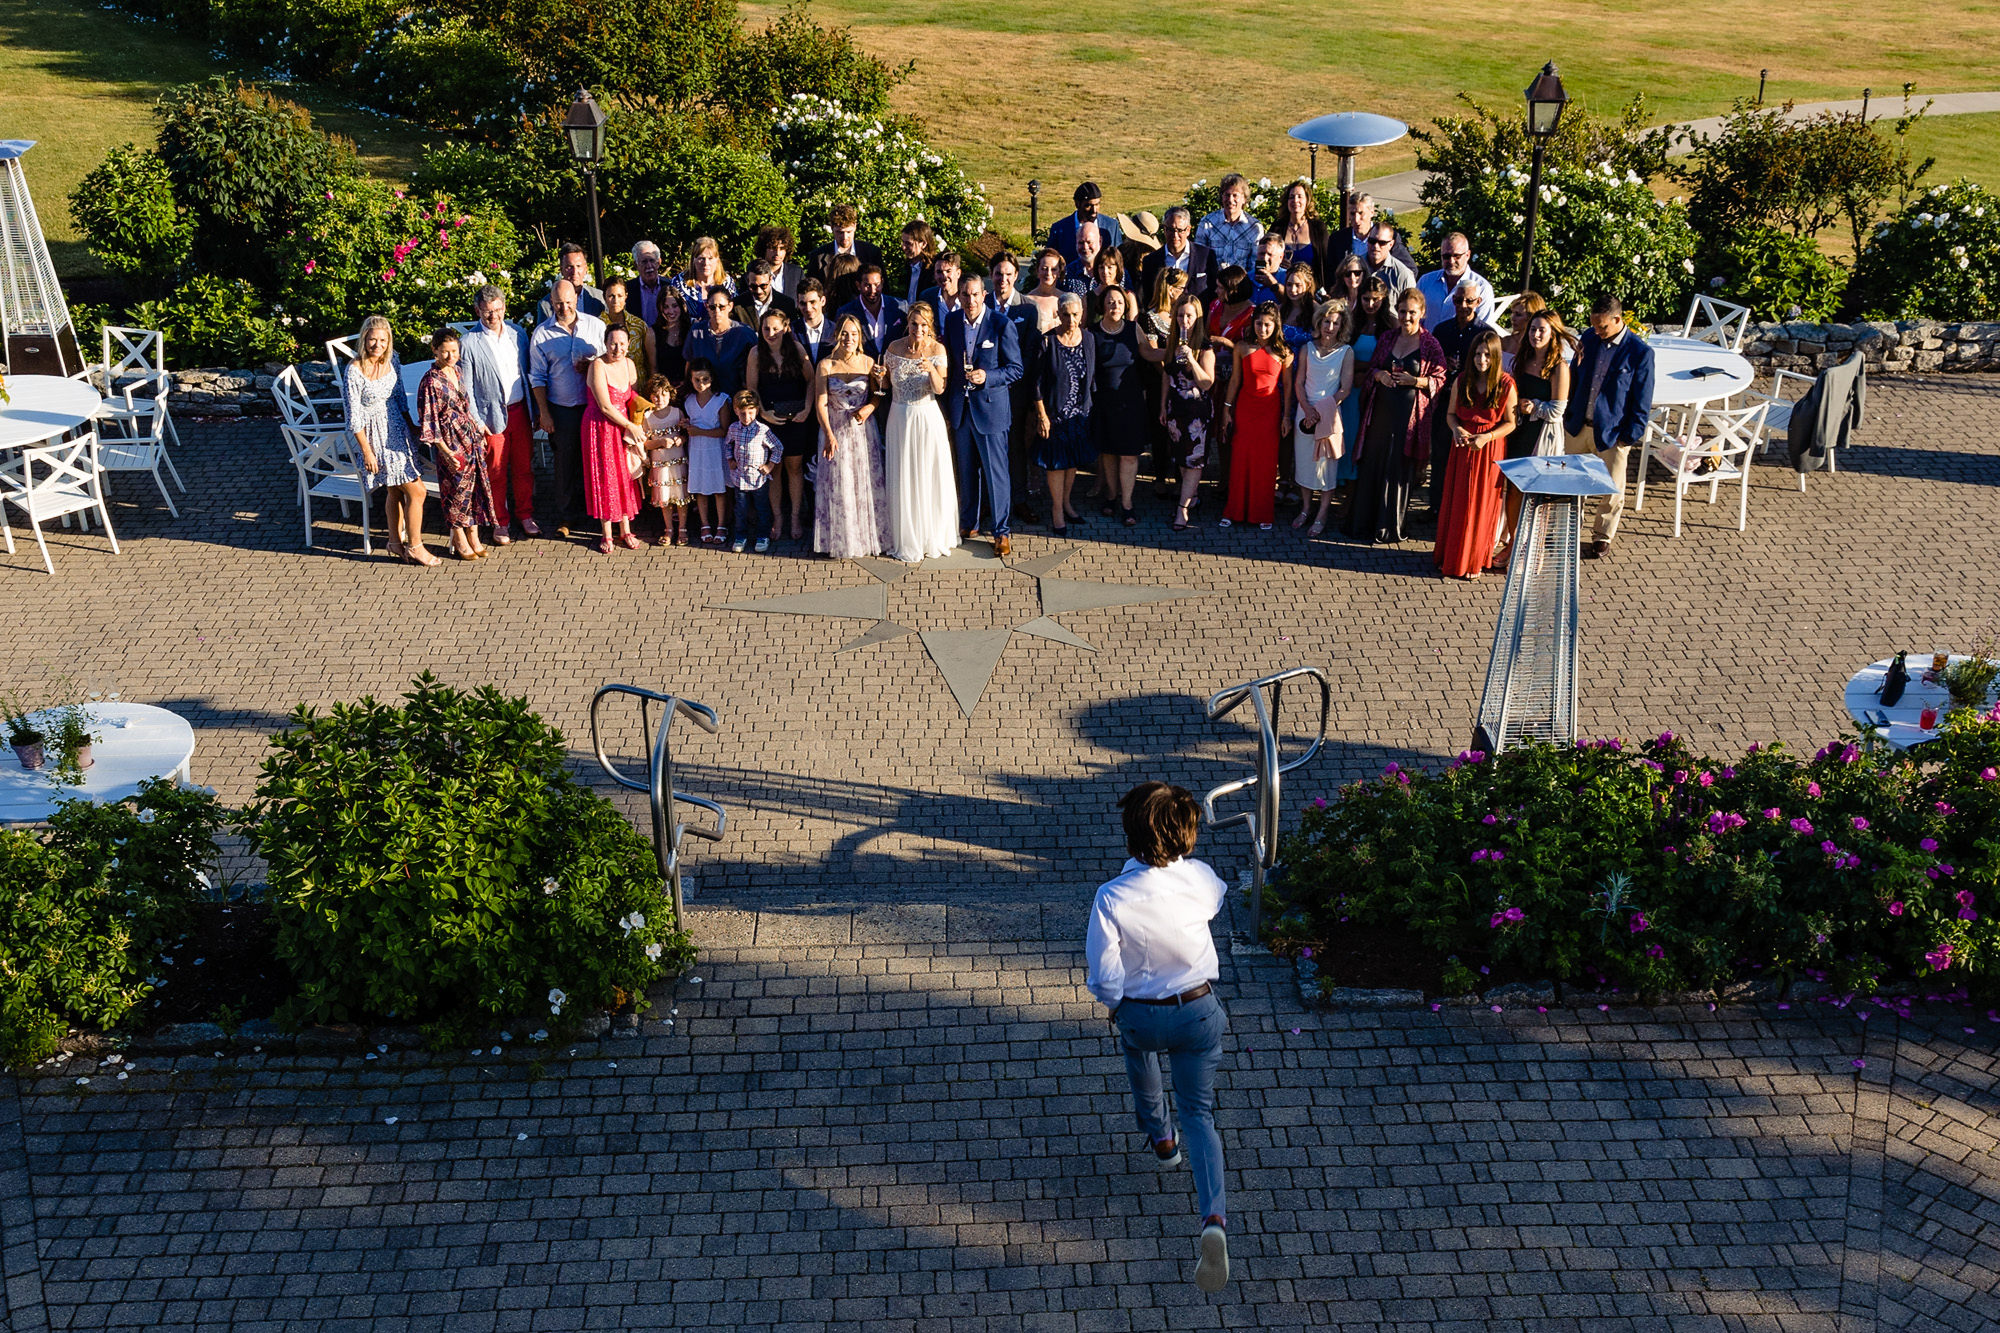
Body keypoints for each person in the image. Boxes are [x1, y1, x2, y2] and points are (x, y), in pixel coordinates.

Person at [1085, 781, 1233, 1295]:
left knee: (1138, 1050)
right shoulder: (1200, 879)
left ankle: (1161, 1139)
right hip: (1197, 1010)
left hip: (1143, 1013)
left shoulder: (1111, 897)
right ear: (1186, 833)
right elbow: (1215, 900)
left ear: (1130, 835)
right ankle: (1212, 1218)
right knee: (1202, 1113)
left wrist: (1117, 1007)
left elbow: (1105, 980)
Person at [1344, 288, 1445, 545]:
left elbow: (1441, 379)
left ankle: (1389, 526)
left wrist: (1417, 381)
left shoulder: (1430, 344)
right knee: (1374, 463)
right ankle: (1363, 523)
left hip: (1409, 420)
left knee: (1397, 469)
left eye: (1412, 312)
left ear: (1422, 313)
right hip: (1380, 415)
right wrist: (1379, 376)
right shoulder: (1388, 337)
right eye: (1402, 311)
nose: (1407, 317)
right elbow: (1374, 367)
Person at [1564, 295, 1655, 559]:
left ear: (1618, 320)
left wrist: (1628, 437)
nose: (1596, 331)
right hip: (1579, 426)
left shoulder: (1640, 352)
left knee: (1612, 489)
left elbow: (1642, 400)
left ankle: (1602, 536)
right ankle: (1571, 530)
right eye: (1593, 325)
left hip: (1613, 435)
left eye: (1602, 326)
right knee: (1573, 482)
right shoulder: (1589, 339)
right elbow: (1574, 376)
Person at [943, 271, 1022, 553]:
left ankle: (1002, 531)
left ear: (984, 295)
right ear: (959, 295)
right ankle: (969, 522)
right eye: (965, 294)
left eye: (975, 294)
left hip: (991, 411)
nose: (970, 300)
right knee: (966, 471)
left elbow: (1015, 369)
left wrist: (986, 376)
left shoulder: (1001, 324)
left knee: (995, 473)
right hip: (962, 409)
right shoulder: (952, 321)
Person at [345, 315, 434, 564]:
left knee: (395, 490)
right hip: (373, 436)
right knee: (418, 491)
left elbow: (398, 395)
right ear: (364, 339)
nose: (377, 345)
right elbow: (353, 417)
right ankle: (415, 546)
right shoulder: (354, 371)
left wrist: (411, 426)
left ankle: (394, 542)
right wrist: (367, 451)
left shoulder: (393, 359)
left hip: (397, 427)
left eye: (383, 340)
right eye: (372, 339)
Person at [1434, 328, 1517, 579]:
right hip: (1462, 448)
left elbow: (1511, 423)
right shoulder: (1462, 380)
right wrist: (1457, 429)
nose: (1482, 360)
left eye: (1487, 355)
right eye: (1478, 354)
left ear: (1495, 358)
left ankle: (1473, 561)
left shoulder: (1506, 384)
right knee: (1458, 502)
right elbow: (1450, 414)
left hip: (1488, 450)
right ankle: (1452, 557)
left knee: (1480, 506)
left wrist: (1486, 437)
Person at [880, 302, 958, 562]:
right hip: (899, 417)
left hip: (926, 418)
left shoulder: (938, 349)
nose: (919, 329)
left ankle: (930, 534)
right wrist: (877, 376)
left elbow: (940, 389)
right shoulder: (893, 348)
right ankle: (905, 534)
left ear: (930, 325)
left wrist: (931, 369)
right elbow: (884, 384)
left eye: (924, 324)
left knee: (927, 475)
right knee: (903, 474)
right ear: (908, 323)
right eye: (914, 324)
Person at [529, 279, 607, 536]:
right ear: (551, 303)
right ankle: (566, 516)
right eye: (559, 303)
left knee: (595, 460)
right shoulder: (542, 334)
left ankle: (597, 513)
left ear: (576, 298)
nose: (564, 307)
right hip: (561, 407)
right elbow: (537, 377)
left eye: (568, 302)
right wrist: (544, 413)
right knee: (564, 463)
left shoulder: (595, 326)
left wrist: (594, 365)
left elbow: (609, 360)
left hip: (594, 405)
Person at [1494, 308, 1571, 563]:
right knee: (1513, 489)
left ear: (1553, 334)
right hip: (1518, 431)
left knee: (1538, 496)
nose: (1536, 334)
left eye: (1542, 330)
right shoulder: (1522, 358)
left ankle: (1534, 552)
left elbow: (1558, 410)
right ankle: (1514, 543)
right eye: (1533, 329)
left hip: (1542, 435)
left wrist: (1534, 406)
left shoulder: (1559, 367)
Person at [461, 283, 536, 542]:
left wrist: (534, 411)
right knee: (496, 471)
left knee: (524, 467)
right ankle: (499, 521)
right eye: (487, 311)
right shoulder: (469, 342)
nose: (493, 316)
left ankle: (525, 515)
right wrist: (477, 422)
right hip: (491, 417)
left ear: (504, 307)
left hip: (520, 411)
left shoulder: (518, 334)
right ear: (477, 310)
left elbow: (527, 373)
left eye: (497, 310)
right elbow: (466, 388)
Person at [813, 313, 891, 559]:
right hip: (834, 426)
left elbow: (881, 392)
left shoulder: (868, 362)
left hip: (862, 430)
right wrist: (828, 433)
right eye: (844, 333)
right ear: (837, 336)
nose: (849, 338)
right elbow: (820, 401)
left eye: (854, 334)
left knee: (863, 481)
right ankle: (840, 539)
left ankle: (867, 536)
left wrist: (871, 406)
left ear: (859, 338)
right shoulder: (826, 365)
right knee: (839, 482)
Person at [416, 327, 495, 561]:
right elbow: (428, 420)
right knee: (456, 490)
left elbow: (467, 406)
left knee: (474, 488)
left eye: (454, 351)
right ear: (435, 351)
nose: (450, 357)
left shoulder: (458, 372)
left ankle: (474, 533)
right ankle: (458, 536)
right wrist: (445, 451)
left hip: (469, 437)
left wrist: (479, 429)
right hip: (450, 441)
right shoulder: (430, 381)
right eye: (445, 352)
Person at [1428, 282, 1501, 515]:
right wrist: (1444, 363)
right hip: (1443, 399)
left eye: (1469, 301)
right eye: (1459, 300)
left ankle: (1458, 510)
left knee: (1464, 460)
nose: (1463, 305)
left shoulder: (1486, 333)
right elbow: (1430, 361)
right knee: (1440, 455)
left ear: (1478, 302)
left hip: (1470, 404)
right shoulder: (1442, 329)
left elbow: (1493, 369)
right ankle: (1436, 507)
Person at [1218, 302, 1291, 530]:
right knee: (1240, 459)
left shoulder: (1284, 353)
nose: (1263, 328)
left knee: (1266, 464)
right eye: (1259, 323)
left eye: (1268, 324)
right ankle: (1234, 510)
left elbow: (1287, 388)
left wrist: (1287, 416)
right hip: (1245, 409)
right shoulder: (1241, 347)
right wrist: (1226, 410)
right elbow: (1234, 381)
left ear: (1275, 325)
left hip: (1270, 412)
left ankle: (1262, 513)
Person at [746, 309, 816, 543]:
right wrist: (763, 413)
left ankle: (795, 517)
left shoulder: (796, 350)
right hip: (769, 422)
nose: (771, 333)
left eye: (776, 328)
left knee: (794, 470)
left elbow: (811, 381)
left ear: (786, 328)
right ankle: (778, 518)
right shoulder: (756, 353)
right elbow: (752, 388)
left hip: (796, 419)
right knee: (774, 470)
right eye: (766, 328)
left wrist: (807, 408)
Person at [579, 323, 648, 555]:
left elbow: (633, 396)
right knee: (606, 476)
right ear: (605, 343)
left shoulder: (629, 364)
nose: (617, 348)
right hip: (602, 427)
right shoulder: (598, 365)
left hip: (624, 427)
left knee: (625, 475)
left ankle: (626, 529)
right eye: (612, 343)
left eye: (621, 343)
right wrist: (630, 426)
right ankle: (607, 532)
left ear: (628, 345)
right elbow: (605, 406)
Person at [1034, 292, 1097, 537]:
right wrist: (1041, 415)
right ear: (1058, 315)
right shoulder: (1047, 341)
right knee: (1056, 463)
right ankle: (1057, 510)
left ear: (1082, 314)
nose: (1071, 320)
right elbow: (1036, 383)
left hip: (1079, 414)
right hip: (1055, 414)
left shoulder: (1089, 338)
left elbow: (1091, 376)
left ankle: (1068, 503)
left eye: (1075, 315)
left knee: (1072, 462)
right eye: (1066, 315)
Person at [989, 253, 1045, 526]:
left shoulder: (1028, 309)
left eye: (1009, 274)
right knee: (988, 447)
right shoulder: (981, 303)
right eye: (999, 274)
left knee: (1015, 446)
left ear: (1016, 276)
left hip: (1015, 390)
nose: (1003, 279)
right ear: (991, 276)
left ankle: (1019, 498)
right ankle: (990, 501)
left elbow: (1029, 353)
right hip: (986, 389)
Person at [1088, 285, 1150, 525]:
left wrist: (1176, 352)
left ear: (1126, 307)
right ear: (1103, 304)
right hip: (1103, 402)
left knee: (1129, 455)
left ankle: (1127, 503)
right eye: (1111, 302)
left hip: (1130, 402)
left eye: (1120, 303)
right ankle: (1111, 496)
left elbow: (1149, 353)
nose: (1115, 306)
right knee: (1108, 453)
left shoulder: (1134, 329)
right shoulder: (1092, 332)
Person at [1292, 300, 1354, 537]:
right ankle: (1307, 509)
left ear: (1342, 325)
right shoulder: (1308, 347)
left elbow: (1344, 389)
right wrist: (1307, 409)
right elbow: (1299, 382)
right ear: (1319, 321)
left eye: (1335, 323)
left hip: (1329, 415)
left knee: (1327, 468)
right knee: (1306, 465)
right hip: (1305, 414)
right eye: (1326, 321)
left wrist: (1322, 409)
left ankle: (1323, 513)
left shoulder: (1346, 352)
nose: (1330, 326)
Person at [1157, 290, 1215, 532]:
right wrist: (1162, 405)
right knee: (1182, 460)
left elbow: (1207, 382)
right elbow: (1166, 376)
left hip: (1196, 413)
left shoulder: (1204, 345)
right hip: (1175, 409)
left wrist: (1191, 360)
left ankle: (1183, 509)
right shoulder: (1172, 342)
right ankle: (1192, 496)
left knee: (1194, 462)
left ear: (1198, 318)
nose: (1185, 321)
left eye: (1189, 316)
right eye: (1180, 315)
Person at [1339, 277, 1394, 494]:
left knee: (1371, 441)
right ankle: (1347, 489)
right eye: (1366, 299)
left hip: (1378, 392)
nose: (1370, 304)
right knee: (1350, 438)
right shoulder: (1351, 321)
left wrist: (1367, 371)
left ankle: (1366, 491)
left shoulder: (1391, 324)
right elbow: (1341, 353)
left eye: (1376, 300)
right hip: (1352, 390)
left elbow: (1391, 361)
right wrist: (1357, 371)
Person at [724, 389, 781, 553]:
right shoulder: (734, 428)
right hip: (739, 478)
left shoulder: (762, 430)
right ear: (736, 411)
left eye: (751, 412)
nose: (747, 417)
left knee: (762, 509)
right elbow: (727, 444)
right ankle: (740, 536)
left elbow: (778, 448)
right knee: (740, 510)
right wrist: (730, 460)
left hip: (758, 479)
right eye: (743, 413)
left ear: (757, 410)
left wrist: (770, 466)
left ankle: (763, 536)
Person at [682, 359, 731, 545]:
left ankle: (721, 524)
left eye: (705, 379)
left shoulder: (721, 400)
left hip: (715, 452)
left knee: (719, 489)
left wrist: (699, 431)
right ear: (691, 379)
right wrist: (686, 426)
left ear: (712, 379)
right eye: (697, 380)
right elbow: (689, 423)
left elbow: (724, 431)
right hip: (697, 452)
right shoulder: (688, 400)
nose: (701, 384)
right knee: (701, 490)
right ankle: (704, 524)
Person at [640, 373, 689, 547]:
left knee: (680, 495)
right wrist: (660, 442)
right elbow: (645, 443)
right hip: (660, 465)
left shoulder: (677, 413)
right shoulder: (647, 417)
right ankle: (669, 528)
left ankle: (682, 528)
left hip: (678, 462)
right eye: (655, 395)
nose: (659, 399)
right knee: (665, 497)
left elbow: (685, 435)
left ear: (670, 394)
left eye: (663, 394)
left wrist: (680, 440)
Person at [1416, 231, 1496, 332]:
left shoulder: (1482, 288)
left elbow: (1483, 329)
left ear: (1467, 255)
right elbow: (1414, 317)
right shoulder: (1426, 282)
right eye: (1446, 256)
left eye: (1457, 256)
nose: (1451, 261)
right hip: (1426, 345)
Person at [686, 287, 758, 397]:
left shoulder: (745, 333)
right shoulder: (696, 331)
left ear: (730, 306)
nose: (717, 311)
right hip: (705, 398)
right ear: (706, 306)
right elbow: (689, 364)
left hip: (737, 399)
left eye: (722, 307)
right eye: (712, 307)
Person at [1140, 206, 1217, 303]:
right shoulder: (1151, 261)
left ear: (1188, 230)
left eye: (1180, 230)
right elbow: (1147, 297)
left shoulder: (1206, 256)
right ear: (1164, 229)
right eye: (1171, 230)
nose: (1175, 235)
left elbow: (1214, 292)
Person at [1194, 174, 1264, 275]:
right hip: (1212, 282)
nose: (1230, 200)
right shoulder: (1207, 223)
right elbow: (1199, 259)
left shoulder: (1255, 228)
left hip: (1242, 284)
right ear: (1222, 197)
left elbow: (1255, 263)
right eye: (1227, 195)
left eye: (1235, 195)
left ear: (1244, 199)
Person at [1047, 181, 1124, 266]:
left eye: (1097, 204)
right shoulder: (1059, 230)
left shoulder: (1111, 226)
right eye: (1088, 206)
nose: (1094, 210)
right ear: (1077, 204)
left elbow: (1119, 260)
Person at [838, 265, 906, 360]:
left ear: (882, 283)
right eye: (867, 285)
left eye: (876, 285)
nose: (873, 290)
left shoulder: (901, 306)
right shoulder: (846, 312)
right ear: (858, 285)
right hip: (861, 369)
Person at [1271, 180, 1329, 289]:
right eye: (1291, 197)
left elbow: (1326, 262)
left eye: (1299, 196)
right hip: (1283, 287)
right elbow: (1268, 255)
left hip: (1312, 289)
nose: (1295, 200)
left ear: (1307, 200)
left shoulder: (1318, 228)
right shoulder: (1277, 227)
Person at [807, 203, 882, 286]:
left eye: (849, 232)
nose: (845, 237)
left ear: (855, 226)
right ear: (832, 228)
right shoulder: (818, 257)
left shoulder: (872, 253)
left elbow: (883, 288)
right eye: (839, 232)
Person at [671, 237, 734, 333]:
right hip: (687, 338)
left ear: (717, 259)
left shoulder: (727, 283)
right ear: (693, 259)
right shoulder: (679, 283)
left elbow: (734, 315)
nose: (706, 263)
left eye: (710, 258)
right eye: (701, 258)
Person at [1341, 193, 1418, 272]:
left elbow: (1411, 270)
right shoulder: (1337, 239)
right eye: (1352, 214)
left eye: (1361, 213)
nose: (1356, 219)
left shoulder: (1387, 238)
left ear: (1372, 212)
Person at [602, 277, 656, 387]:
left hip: (639, 387)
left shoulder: (639, 325)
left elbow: (651, 364)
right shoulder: (598, 326)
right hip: (611, 388)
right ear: (604, 297)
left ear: (626, 296)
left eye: (619, 296)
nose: (616, 301)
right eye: (611, 296)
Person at [536, 243, 604, 322]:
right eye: (569, 267)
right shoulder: (546, 304)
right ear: (561, 270)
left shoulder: (599, 298)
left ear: (586, 268)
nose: (574, 271)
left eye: (578, 266)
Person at [1364, 223, 1417, 305]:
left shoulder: (1402, 275)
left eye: (1382, 243)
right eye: (1372, 241)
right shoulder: (1354, 268)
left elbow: (1411, 308)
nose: (1376, 246)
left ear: (1391, 244)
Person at [736, 259, 797, 326]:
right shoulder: (737, 305)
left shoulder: (787, 304)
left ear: (770, 279)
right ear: (748, 281)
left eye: (763, 286)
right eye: (753, 286)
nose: (759, 291)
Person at [1022, 248, 1068, 333]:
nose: (1048, 273)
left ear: (1059, 273)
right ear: (1037, 271)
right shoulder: (1028, 301)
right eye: (1044, 268)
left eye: (1053, 269)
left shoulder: (1066, 298)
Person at [630, 240, 672, 335]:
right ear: (636, 265)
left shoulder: (670, 286)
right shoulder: (628, 290)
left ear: (659, 262)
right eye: (644, 262)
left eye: (652, 260)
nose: (649, 266)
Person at [793, 279, 837, 365]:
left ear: (823, 301)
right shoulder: (791, 331)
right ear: (797, 303)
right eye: (803, 303)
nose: (808, 308)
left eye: (812, 302)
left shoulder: (836, 330)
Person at [914, 250, 962, 329]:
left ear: (958, 273)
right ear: (934, 274)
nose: (944, 276)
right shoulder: (927, 297)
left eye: (948, 271)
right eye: (939, 272)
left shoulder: (968, 297)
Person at [755, 224, 804, 300]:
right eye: (773, 248)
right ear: (764, 249)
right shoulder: (751, 275)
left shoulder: (797, 274)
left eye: (781, 248)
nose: (777, 253)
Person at [654, 285, 689, 387]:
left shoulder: (691, 330)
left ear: (682, 306)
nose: (671, 311)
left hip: (689, 388)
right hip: (664, 390)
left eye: (675, 306)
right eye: (666, 307)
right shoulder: (652, 333)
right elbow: (654, 369)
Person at [896, 219, 935, 305]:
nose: (903, 247)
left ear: (923, 244)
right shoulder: (905, 268)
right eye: (903, 242)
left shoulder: (934, 271)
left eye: (908, 243)